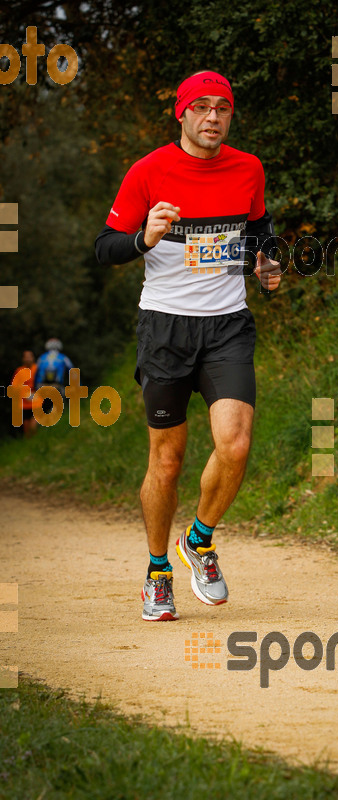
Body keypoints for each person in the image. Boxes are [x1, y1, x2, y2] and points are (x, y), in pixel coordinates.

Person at [95, 70, 281, 622]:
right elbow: (105, 249)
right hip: (166, 330)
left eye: (221, 108)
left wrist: (266, 263)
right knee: (168, 460)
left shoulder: (248, 168)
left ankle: (199, 541)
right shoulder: (148, 171)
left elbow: (259, 228)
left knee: (237, 444)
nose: (212, 118)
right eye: (200, 107)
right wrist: (143, 238)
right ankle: (157, 573)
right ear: (182, 114)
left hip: (227, 325)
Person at [35, 339, 74, 408]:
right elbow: (72, 371)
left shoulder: (41, 358)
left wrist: (35, 386)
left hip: (41, 386)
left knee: (41, 409)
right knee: (59, 408)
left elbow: (36, 372)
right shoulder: (63, 357)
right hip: (57, 385)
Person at [11, 350, 41, 438]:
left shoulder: (37, 369)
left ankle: (35, 440)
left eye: (29, 357)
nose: (28, 359)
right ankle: (29, 442)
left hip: (37, 401)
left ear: (33, 358)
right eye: (26, 357)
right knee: (26, 426)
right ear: (23, 359)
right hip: (24, 403)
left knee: (34, 422)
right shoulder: (19, 371)